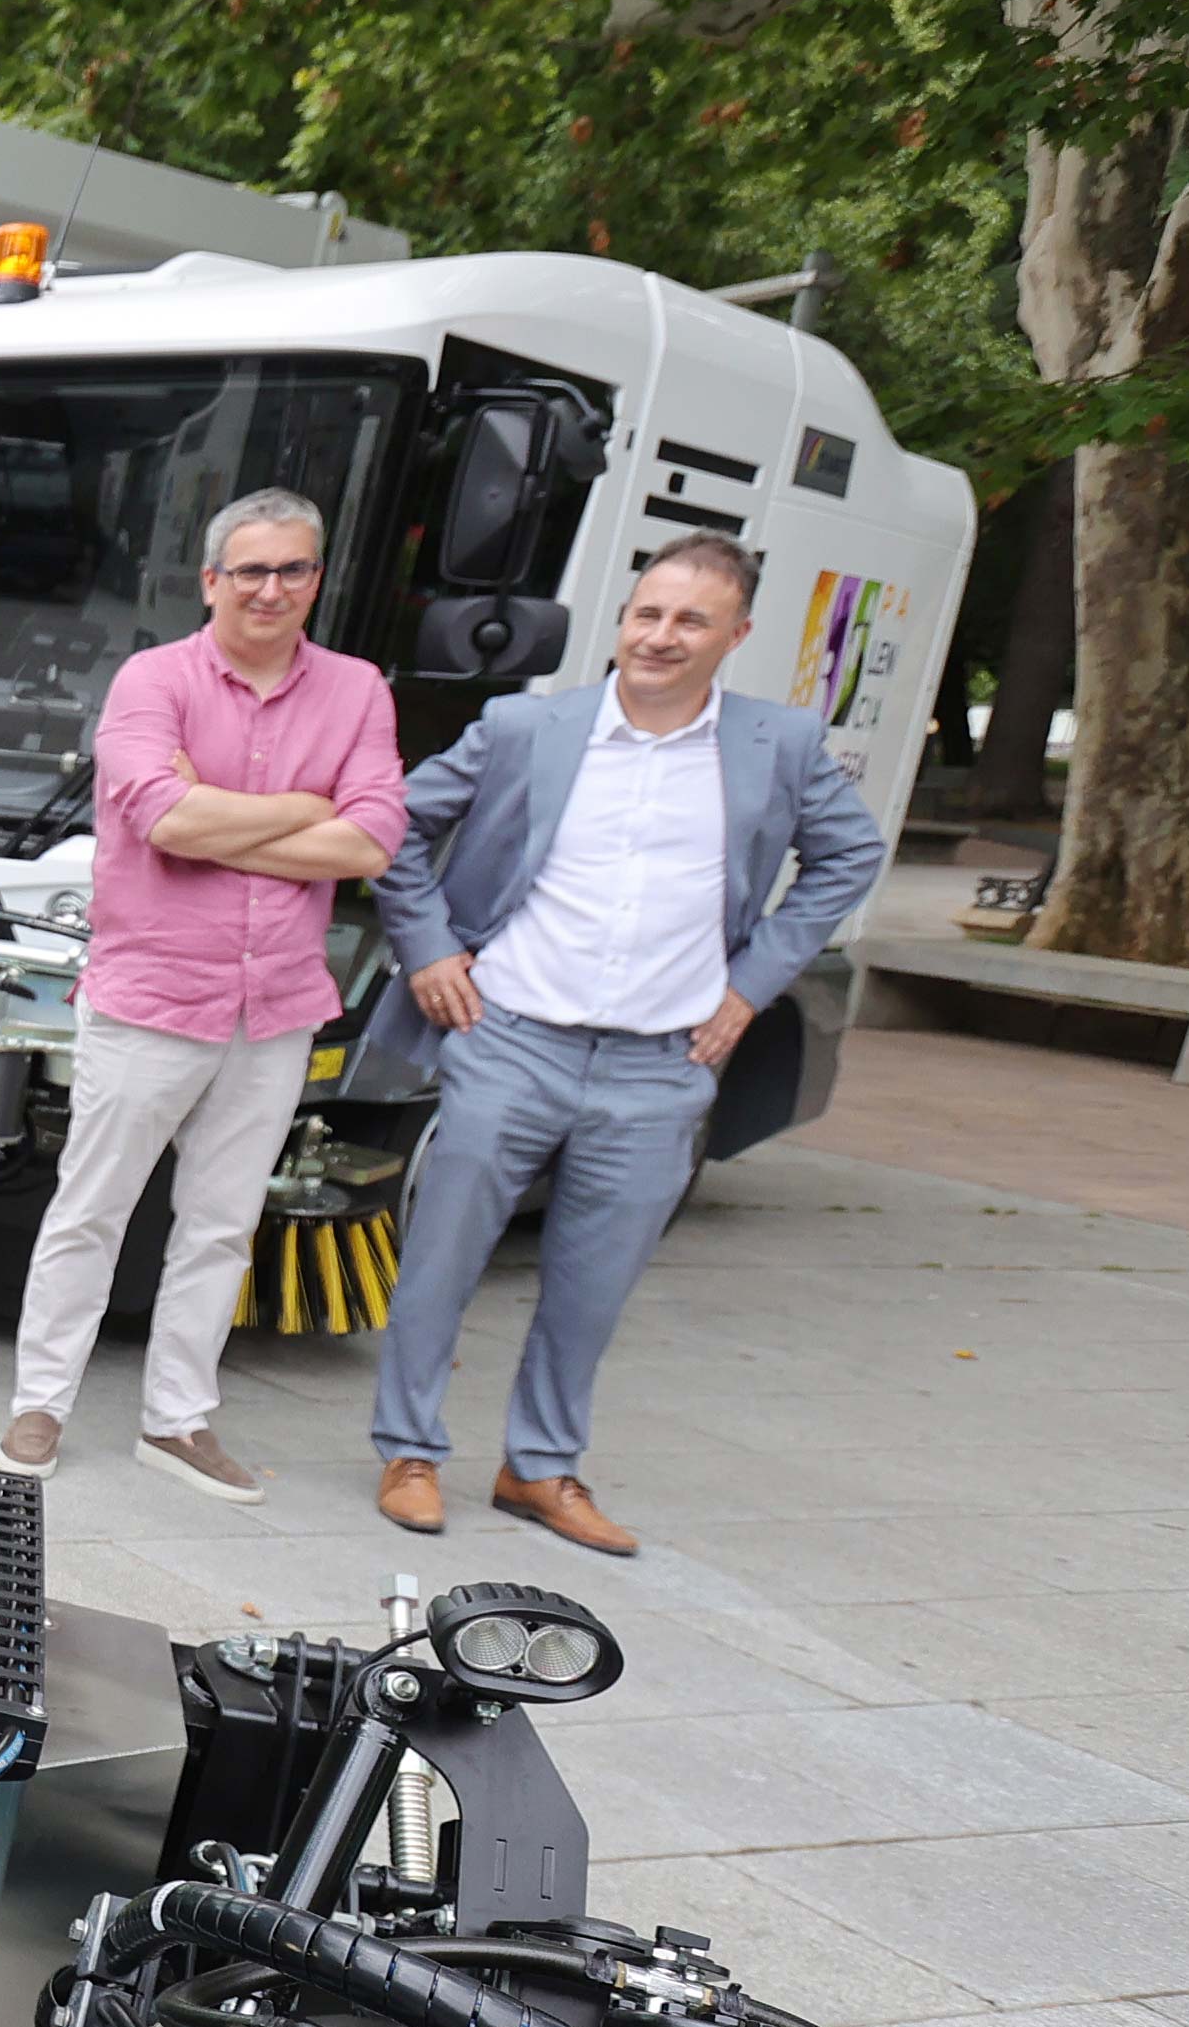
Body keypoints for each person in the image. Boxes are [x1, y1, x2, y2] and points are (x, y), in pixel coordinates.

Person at [363, 533, 883, 1552]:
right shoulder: (526, 727)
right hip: (509, 1035)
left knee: (595, 1282)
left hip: (662, 1065)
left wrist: (752, 985)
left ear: (733, 635)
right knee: (442, 1255)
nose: (659, 635)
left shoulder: (777, 744)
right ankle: (410, 1450)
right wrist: (429, 949)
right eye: (646, 613)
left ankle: (541, 1469)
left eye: (690, 620)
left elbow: (848, 856)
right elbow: (396, 828)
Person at [0, 487, 397, 1504]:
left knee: (222, 1224)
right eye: (252, 569)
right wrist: (306, 811)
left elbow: (372, 838)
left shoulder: (355, 691)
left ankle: (178, 1422)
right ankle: (41, 1402)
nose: (273, 588)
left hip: (277, 1008)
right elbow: (161, 820)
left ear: (318, 578)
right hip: (149, 997)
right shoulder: (153, 680)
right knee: (92, 1210)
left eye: (294, 569)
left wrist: (233, 814)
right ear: (212, 579)